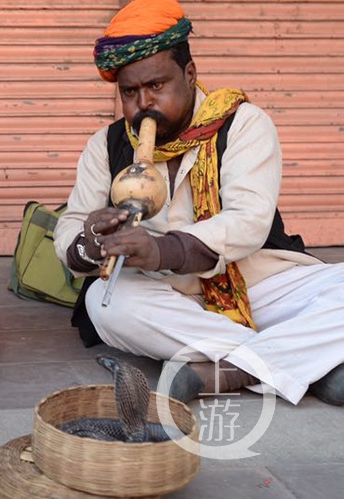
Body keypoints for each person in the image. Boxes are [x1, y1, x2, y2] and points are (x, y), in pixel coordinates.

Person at [54, 0, 344, 406]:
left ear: (189, 75)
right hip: (167, 293)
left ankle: (237, 368)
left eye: (156, 86)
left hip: (257, 280)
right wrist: (89, 242)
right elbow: (72, 223)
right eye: (130, 92)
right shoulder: (106, 145)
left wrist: (163, 249)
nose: (143, 104)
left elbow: (249, 221)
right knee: (108, 307)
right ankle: (306, 364)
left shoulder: (243, 123)